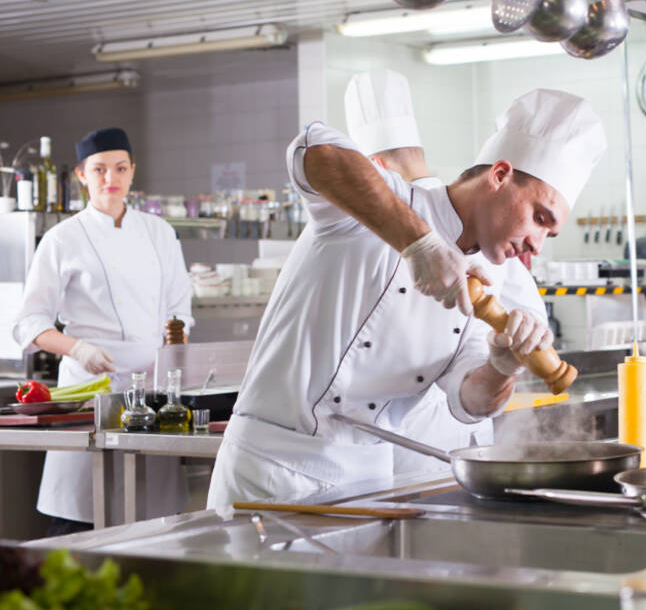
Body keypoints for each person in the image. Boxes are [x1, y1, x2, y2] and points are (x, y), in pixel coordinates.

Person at [207, 88, 605, 506]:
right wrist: (421, 244)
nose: (537, 244)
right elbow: (312, 150)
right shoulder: (386, 203)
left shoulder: (489, 283)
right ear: (501, 174)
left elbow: (469, 400)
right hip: (269, 473)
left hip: (369, 483)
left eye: (550, 232)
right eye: (539, 218)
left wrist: (501, 365)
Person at [343, 71, 548, 475]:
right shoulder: (464, 223)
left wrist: (505, 360)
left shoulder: (476, 231)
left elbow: (529, 339)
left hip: (419, 440)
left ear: (374, 167)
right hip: (431, 443)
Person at [12, 127, 192, 535]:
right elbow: (28, 322)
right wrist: (77, 349)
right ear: (81, 175)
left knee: (155, 527)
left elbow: (180, 311)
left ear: (132, 172)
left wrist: (174, 357)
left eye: (120, 168)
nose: (110, 178)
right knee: (82, 520)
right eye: (99, 169)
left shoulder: (160, 232)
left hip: (152, 391)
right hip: (91, 388)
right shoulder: (63, 239)